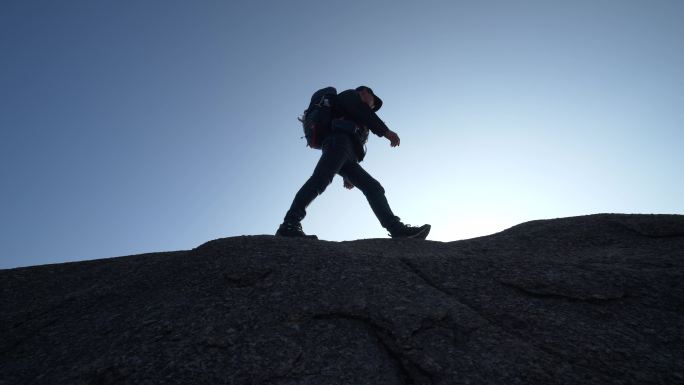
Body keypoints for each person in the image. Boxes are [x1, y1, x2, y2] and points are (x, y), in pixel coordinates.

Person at [276, 86, 430, 239]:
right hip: (338, 141)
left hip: (345, 151)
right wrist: (385, 132)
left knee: (373, 188)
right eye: (373, 102)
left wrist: (346, 176)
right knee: (320, 179)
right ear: (364, 92)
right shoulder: (351, 96)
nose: (372, 106)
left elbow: (354, 139)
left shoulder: (350, 109)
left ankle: (396, 229)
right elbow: (362, 113)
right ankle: (290, 224)